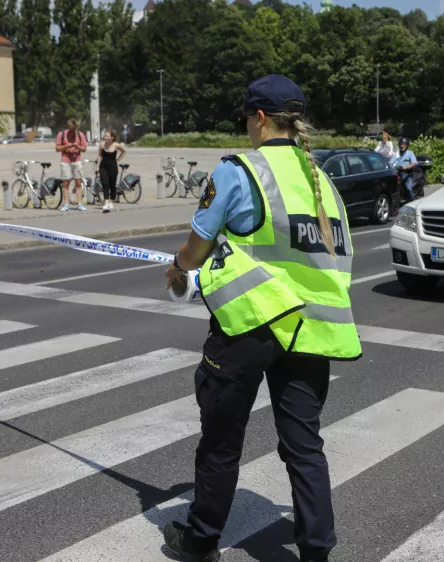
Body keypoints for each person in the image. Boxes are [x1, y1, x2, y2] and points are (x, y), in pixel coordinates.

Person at [161, 74, 362, 562]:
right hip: (311, 329)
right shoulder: (323, 182)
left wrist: (178, 269)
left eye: (246, 121)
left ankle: (202, 540)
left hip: (250, 326)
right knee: (303, 445)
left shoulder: (239, 169)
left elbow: (197, 245)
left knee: (222, 439)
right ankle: (317, 551)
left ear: (258, 119)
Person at [55, 119, 88, 212]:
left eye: (75, 130)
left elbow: (84, 148)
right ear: (68, 127)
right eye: (71, 130)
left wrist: (77, 147)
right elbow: (57, 148)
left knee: (78, 182)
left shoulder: (80, 134)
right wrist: (66, 146)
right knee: (66, 183)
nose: (73, 132)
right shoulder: (61, 135)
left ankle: (79, 204)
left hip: (77, 160)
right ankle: (66, 204)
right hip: (65, 160)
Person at [96, 128, 126, 212]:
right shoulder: (102, 144)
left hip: (113, 167)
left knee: (112, 185)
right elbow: (99, 155)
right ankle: (106, 202)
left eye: (107, 136)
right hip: (103, 166)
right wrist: (97, 167)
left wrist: (118, 160)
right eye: (105, 136)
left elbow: (124, 151)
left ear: (112, 137)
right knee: (105, 184)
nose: (105, 138)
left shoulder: (116, 145)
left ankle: (111, 201)